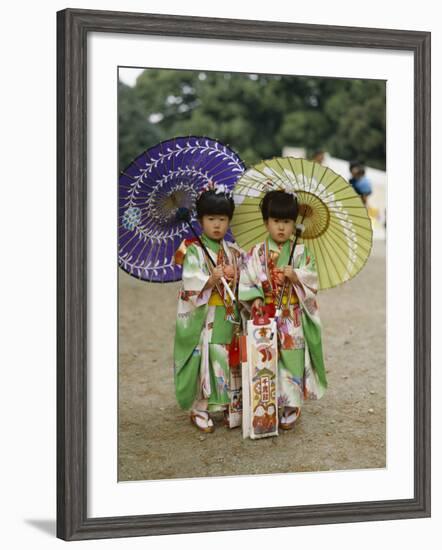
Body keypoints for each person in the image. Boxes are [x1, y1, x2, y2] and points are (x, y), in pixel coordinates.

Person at [239, 190, 327, 431]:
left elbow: (313, 280)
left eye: (286, 222)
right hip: (266, 313)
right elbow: (246, 280)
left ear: (293, 224)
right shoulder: (256, 252)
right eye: (276, 221)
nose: (281, 228)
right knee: (268, 358)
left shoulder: (300, 252)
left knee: (291, 357)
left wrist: (296, 275)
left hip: (291, 315)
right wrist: (256, 299)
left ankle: (291, 404)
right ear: (266, 221)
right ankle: (269, 402)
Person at [173, 186, 242, 433]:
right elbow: (190, 283)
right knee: (207, 359)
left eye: (222, 219)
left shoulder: (233, 251)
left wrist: (236, 276)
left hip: (228, 315)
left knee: (227, 357)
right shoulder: (193, 250)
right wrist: (210, 280)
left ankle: (226, 405)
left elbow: (245, 281)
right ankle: (200, 408)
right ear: (200, 220)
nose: (217, 225)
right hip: (206, 316)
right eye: (211, 219)